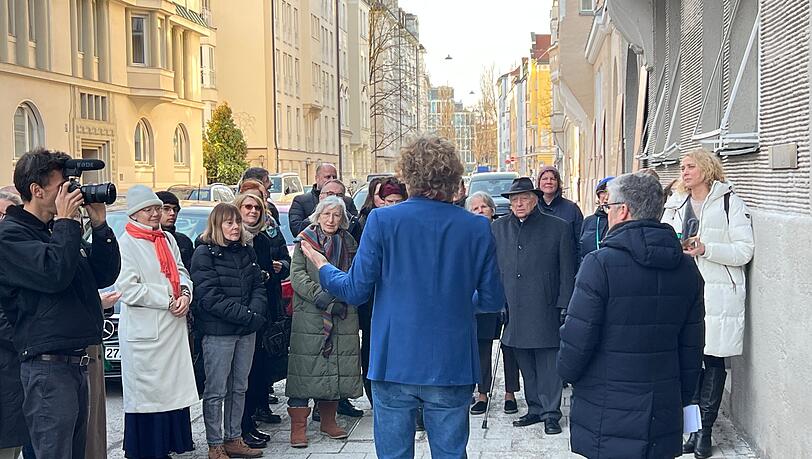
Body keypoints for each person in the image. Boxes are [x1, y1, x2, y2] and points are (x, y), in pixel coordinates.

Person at [299, 135, 505, 458]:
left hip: (394, 361)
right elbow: (491, 300)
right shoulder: (476, 227)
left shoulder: (383, 220)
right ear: (453, 178)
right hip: (452, 362)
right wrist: (459, 302)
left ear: (408, 176)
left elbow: (355, 290)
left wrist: (323, 265)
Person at [558, 172, 705, 458]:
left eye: (608, 206)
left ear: (623, 210)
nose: (607, 213)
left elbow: (577, 338)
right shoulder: (687, 269)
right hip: (661, 403)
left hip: (606, 403)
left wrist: (567, 373)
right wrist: (684, 395)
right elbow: (692, 345)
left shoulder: (599, 264)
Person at [0, 149, 120, 459]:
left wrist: (100, 227)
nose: (71, 193)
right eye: (61, 187)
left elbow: (103, 275)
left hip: (76, 361)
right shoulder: (11, 236)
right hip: (46, 368)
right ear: (36, 190)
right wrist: (67, 222)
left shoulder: (56, 230)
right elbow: (54, 275)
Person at [661, 148, 754, 458]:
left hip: (718, 294)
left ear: (706, 168)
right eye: (682, 167)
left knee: (713, 361)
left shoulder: (729, 202)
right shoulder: (675, 203)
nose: (684, 172)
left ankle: (705, 432)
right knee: (688, 364)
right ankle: (691, 428)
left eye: (690, 166)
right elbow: (663, 241)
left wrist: (706, 248)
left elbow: (744, 251)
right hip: (682, 292)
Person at [114, 185, 198, 459]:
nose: (154, 214)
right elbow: (127, 289)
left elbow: (181, 271)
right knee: (149, 398)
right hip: (146, 332)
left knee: (171, 395)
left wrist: (185, 293)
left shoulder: (167, 239)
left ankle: (168, 446)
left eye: (156, 209)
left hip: (172, 328)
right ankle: (148, 450)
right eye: (147, 210)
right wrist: (168, 297)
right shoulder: (126, 243)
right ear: (134, 214)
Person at [492, 177, 576, 434]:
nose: (519, 204)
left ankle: (551, 412)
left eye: (524, 199)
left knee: (548, 361)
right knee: (525, 361)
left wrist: (565, 303)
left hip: (545, 304)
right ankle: (535, 407)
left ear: (535, 200)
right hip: (513, 305)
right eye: (514, 200)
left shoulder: (558, 227)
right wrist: (497, 302)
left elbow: (568, 270)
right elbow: (493, 269)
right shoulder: (498, 228)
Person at [191, 203, 268, 459]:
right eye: (229, 222)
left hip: (246, 331)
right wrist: (246, 316)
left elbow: (258, 286)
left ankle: (234, 437)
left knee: (239, 387)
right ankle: (215, 444)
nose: (235, 227)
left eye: (237, 222)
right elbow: (209, 297)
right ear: (217, 225)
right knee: (216, 390)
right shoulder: (204, 253)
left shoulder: (246, 250)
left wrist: (255, 314)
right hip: (219, 332)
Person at [286, 196, 362, 448]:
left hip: (342, 311)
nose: (331, 220)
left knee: (334, 365)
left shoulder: (348, 242)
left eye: (336, 215)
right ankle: (298, 428)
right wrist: (322, 296)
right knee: (304, 369)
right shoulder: (304, 241)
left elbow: (355, 274)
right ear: (317, 216)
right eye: (326, 214)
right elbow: (297, 276)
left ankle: (328, 421)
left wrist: (339, 295)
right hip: (310, 314)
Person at [234, 193, 291, 448]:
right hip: (237, 316)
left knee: (256, 371)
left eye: (257, 208)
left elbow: (269, 277)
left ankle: (250, 422)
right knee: (239, 379)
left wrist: (273, 273)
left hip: (261, 312)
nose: (253, 211)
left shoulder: (263, 240)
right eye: (248, 206)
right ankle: (239, 429)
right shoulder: (231, 239)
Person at [464, 191, 506, 416]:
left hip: (492, 297)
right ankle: (468, 390)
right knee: (468, 348)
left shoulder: (499, 233)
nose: (480, 211)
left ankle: (484, 393)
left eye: (483, 207)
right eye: (475, 208)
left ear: (492, 210)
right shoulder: (464, 235)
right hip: (468, 299)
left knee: (485, 348)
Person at [289, 163, 358, 235]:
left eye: (334, 177)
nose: (331, 179)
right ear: (317, 178)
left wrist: (343, 213)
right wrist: (319, 211)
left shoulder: (347, 201)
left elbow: (357, 229)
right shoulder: (301, 201)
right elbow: (296, 230)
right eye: (328, 177)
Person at [536, 166, 583, 263]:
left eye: (553, 179)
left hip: (566, 263)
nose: (548, 182)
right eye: (544, 179)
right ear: (539, 183)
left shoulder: (572, 209)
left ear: (558, 183)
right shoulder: (533, 208)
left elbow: (580, 241)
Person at [156, 191, 195, 270]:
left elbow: (192, 270)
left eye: (175, 209)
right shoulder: (143, 240)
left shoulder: (184, 241)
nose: (172, 213)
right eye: (166, 209)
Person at [578, 176, 614, 260]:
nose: (606, 197)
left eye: (611, 192)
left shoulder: (624, 221)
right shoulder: (589, 221)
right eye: (603, 192)